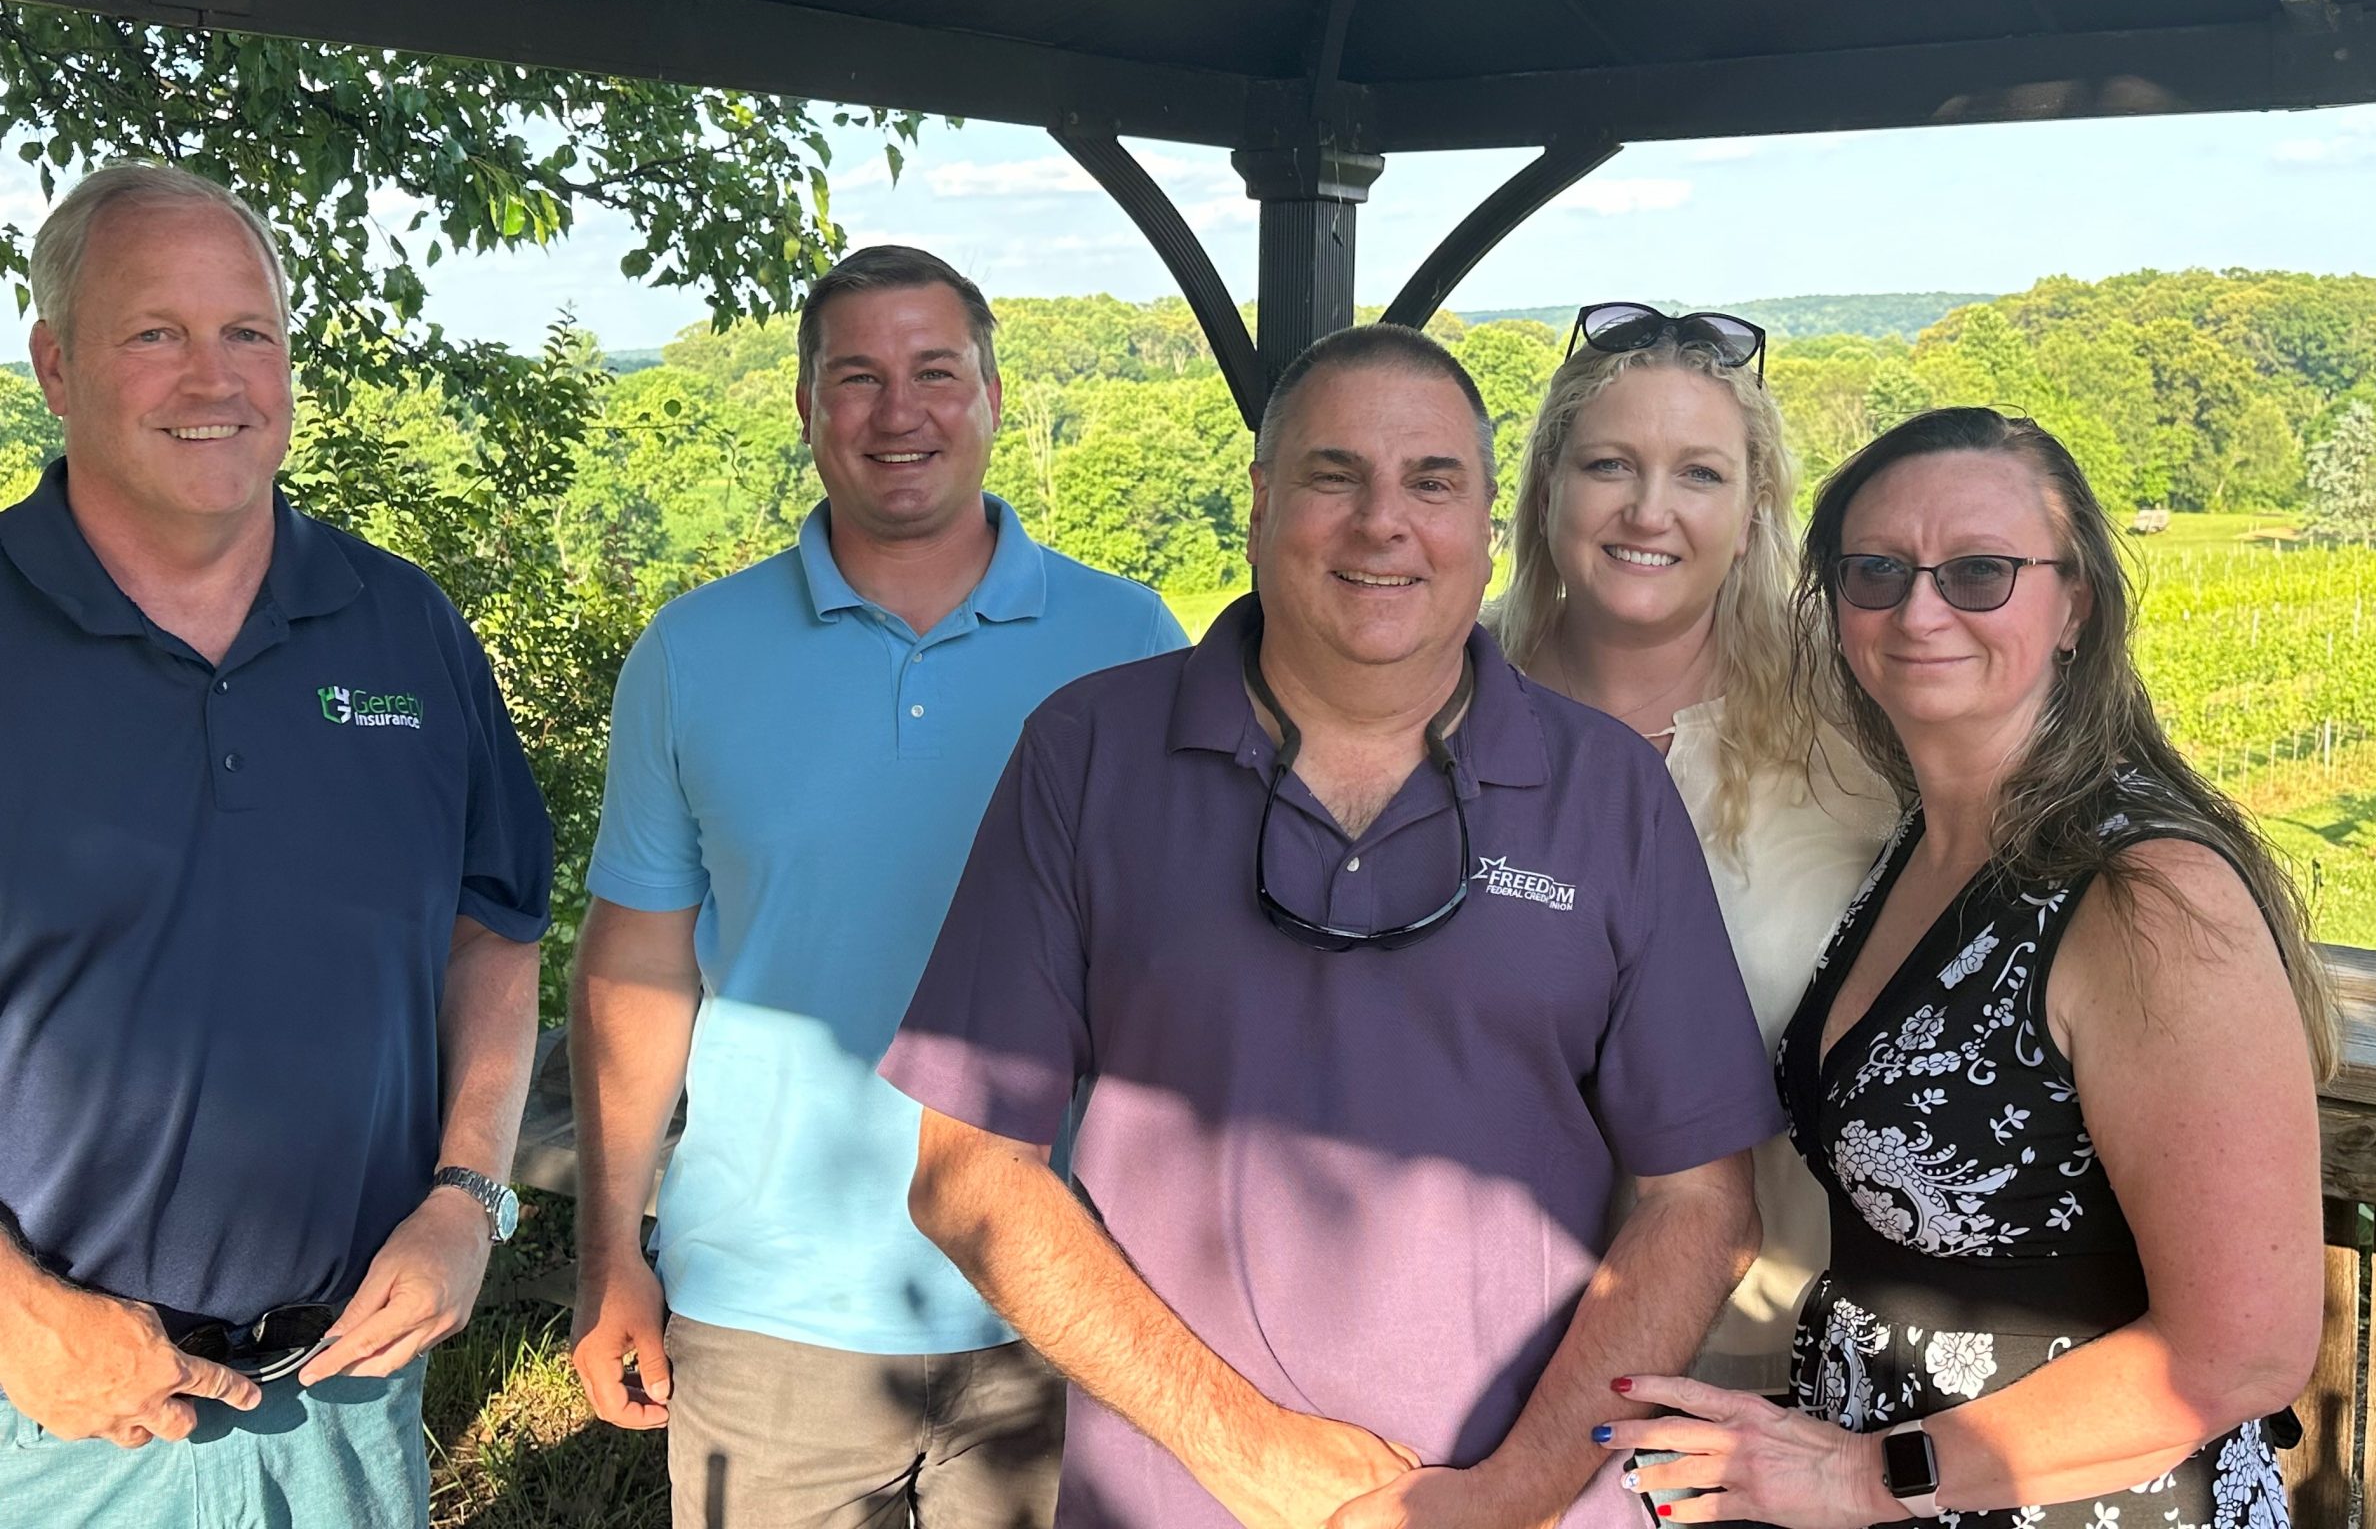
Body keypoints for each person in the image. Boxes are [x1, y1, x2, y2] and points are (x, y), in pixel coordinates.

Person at [883, 322, 1781, 1529]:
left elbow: (1702, 1203)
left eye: (1431, 481)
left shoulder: (1607, 791)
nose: (1383, 522)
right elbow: (968, 1173)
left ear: (1484, 518)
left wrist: (1511, 1495)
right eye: (1332, 475)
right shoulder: (1089, 754)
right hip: (1180, 1498)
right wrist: (1242, 1449)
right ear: (1258, 502)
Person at [1602, 407, 2335, 1528]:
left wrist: (1865, 1475)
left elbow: (2241, 1352)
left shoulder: (2144, 894)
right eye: (1875, 572)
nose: (1919, 610)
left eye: (1979, 572)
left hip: (2090, 1500)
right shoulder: (1922, 844)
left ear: (2074, 602)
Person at [567, 244, 1186, 1529]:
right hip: (764, 1314)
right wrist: (608, 1253)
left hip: (1071, 1299)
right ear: (803, 406)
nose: (898, 413)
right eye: (856, 377)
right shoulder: (692, 654)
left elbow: (1186, 975)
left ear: (996, 396)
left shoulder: (1129, 646)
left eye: (935, 372)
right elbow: (635, 970)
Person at [0, 162, 553, 1526]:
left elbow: (495, 925)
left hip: (348, 1407)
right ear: (55, 366)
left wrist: (468, 1197)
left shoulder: (403, 630)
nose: (216, 378)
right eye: (156, 334)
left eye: (249, 331)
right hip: (50, 1419)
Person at [1494, 303, 1899, 1403]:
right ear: (1546, 487)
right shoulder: (1440, 698)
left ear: (1755, 505)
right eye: (1609, 464)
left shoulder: (1863, 729)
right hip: (1485, 1347)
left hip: (1778, 1369)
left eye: (1700, 474)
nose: (1648, 510)